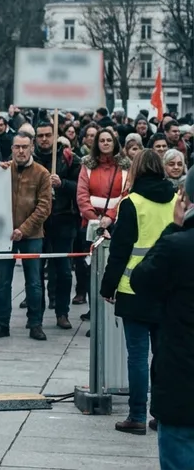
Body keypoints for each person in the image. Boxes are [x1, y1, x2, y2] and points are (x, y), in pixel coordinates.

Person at [100, 149, 176, 435]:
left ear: (136, 171)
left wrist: (108, 286)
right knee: (162, 355)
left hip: (134, 288)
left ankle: (136, 416)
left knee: (137, 355)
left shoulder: (131, 203)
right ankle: (160, 415)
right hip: (167, 288)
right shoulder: (174, 200)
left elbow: (120, 250)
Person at [129, 175, 194, 466]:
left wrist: (173, 227)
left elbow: (142, 280)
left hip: (182, 379)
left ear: (185, 200)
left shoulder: (178, 247)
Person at [0, 133, 51, 341]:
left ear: (32, 147)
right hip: (4, 236)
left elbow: (44, 207)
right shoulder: (3, 171)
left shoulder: (41, 173)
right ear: (12, 149)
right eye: (17, 147)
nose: (21, 151)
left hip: (32, 235)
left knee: (34, 282)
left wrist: (23, 229)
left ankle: (35, 324)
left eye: (25, 147)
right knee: (3, 281)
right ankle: (2, 323)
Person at [76, 130, 130, 306]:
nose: (105, 143)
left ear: (114, 143)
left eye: (109, 140)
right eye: (102, 140)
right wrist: (97, 222)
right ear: (96, 144)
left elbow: (126, 195)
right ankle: (94, 312)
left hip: (116, 225)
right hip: (92, 226)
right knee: (92, 271)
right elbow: (82, 196)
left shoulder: (125, 168)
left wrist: (110, 218)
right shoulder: (87, 166)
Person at [33, 121, 78, 329]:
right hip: (37, 222)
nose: (44, 139)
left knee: (64, 271)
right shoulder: (30, 159)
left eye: (47, 135)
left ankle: (62, 312)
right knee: (36, 271)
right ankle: (37, 314)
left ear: (54, 136)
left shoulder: (69, 159)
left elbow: (81, 187)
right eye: (40, 135)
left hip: (63, 219)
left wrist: (63, 184)